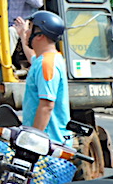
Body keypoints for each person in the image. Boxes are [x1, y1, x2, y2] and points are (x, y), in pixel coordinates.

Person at [14, 11, 71, 144]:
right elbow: (32, 57)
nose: (27, 32)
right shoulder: (45, 59)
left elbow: (46, 106)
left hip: (48, 143)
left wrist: (31, 141)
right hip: (45, 141)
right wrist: (22, 36)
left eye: (30, 29)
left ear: (39, 35)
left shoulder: (47, 64)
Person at [7, 0, 45, 64]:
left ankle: (1, 63)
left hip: (24, 26)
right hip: (4, 25)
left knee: (11, 31)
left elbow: (38, 3)